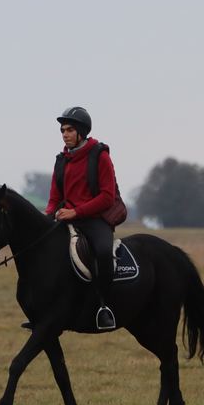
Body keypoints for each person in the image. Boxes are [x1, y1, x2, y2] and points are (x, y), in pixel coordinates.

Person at [45, 106, 120, 330]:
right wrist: (47, 216)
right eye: (62, 130)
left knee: (104, 252)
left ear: (81, 132)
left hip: (95, 220)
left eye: (69, 130)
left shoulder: (100, 156)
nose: (65, 134)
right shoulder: (61, 160)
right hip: (67, 219)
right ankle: (43, 309)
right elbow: (54, 198)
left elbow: (107, 197)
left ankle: (104, 307)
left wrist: (76, 212)